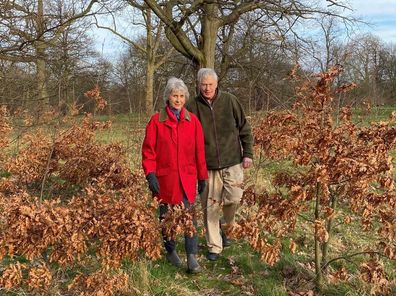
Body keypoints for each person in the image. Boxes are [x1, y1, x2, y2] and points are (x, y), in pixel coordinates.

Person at [186, 68, 253, 261]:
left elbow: (245, 128)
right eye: (203, 84)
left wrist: (247, 153)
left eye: (210, 84)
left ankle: (227, 226)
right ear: (198, 85)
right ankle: (214, 246)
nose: (207, 88)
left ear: (217, 84)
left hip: (232, 160)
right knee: (211, 207)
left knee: (234, 199)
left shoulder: (230, 101)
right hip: (207, 166)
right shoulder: (191, 106)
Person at [142, 77, 208, 273]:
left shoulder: (192, 121)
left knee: (189, 218)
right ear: (167, 97)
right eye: (174, 96)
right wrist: (150, 174)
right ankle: (170, 250)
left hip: (186, 179)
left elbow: (199, 152)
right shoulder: (156, 121)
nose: (178, 100)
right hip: (164, 180)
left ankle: (192, 257)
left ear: (185, 98)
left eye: (181, 96)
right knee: (166, 218)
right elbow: (148, 151)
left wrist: (202, 177)